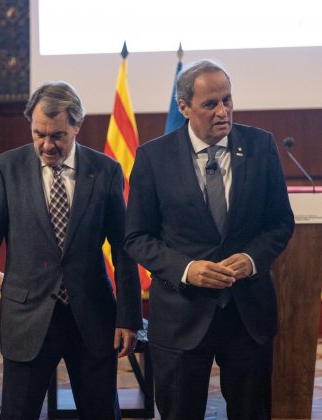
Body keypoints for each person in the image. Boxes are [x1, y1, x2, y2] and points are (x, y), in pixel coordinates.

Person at [124, 59, 295, 419]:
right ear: (183, 107)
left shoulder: (260, 146)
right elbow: (137, 236)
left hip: (247, 315)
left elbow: (280, 222)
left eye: (227, 100)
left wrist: (250, 260)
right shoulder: (154, 157)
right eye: (210, 104)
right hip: (181, 315)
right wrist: (186, 269)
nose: (223, 111)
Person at [0, 81, 143, 419]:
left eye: (57, 135)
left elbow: (123, 251)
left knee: (102, 413)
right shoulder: (6, 168)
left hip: (91, 315)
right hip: (27, 316)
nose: (47, 145)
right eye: (38, 134)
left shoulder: (105, 171)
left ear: (77, 125)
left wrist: (129, 317)